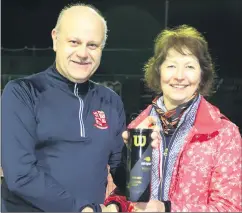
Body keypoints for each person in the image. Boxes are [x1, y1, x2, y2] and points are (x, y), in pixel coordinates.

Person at [1, 3, 160, 212]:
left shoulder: (110, 101)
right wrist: (82, 209)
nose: (83, 53)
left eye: (92, 45)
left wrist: (139, 152)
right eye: (74, 42)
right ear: (55, 39)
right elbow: (20, 175)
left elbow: (125, 180)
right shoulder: (22, 93)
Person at [104, 25, 242, 212]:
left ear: (202, 74)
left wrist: (166, 209)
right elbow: (129, 189)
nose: (179, 76)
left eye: (189, 67)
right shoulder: (139, 127)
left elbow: (230, 207)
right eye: (171, 66)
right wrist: (115, 205)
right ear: (158, 71)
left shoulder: (224, 134)